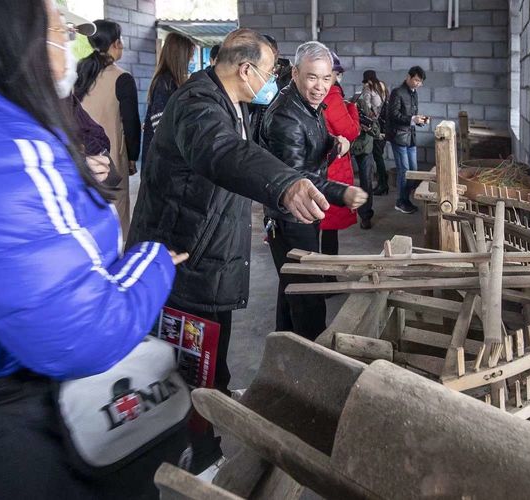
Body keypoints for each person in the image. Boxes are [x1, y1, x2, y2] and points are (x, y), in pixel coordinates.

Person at [0, 0, 187, 498]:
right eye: (54, 30)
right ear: (5, 34)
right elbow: (83, 332)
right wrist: (151, 261)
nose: (65, 47)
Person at [128, 29, 335, 397]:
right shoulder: (198, 102)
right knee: (187, 363)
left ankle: (215, 401)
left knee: (211, 351)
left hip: (210, 254)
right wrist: (283, 184)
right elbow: (222, 151)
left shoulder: (232, 104)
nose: (272, 81)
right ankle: (201, 445)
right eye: (270, 73)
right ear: (244, 69)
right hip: (186, 255)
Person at [260, 41, 367, 340]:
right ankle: (312, 363)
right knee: (308, 295)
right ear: (295, 73)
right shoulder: (286, 116)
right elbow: (297, 178)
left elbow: (314, 145)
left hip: (305, 212)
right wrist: (341, 193)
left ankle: (283, 348)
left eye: (326, 78)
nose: (320, 86)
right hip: (292, 216)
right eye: (312, 77)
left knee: (291, 286)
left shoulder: (309, 105)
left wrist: (334, 144)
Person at [75, 19, 141, 237]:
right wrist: (132, 157)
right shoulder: (121, 78)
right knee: (115, 216)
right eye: (119, 40)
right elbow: (130, 124)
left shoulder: (78, 72)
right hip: (109, 160)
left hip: (79, 157)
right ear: (115, 44)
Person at [320, 51, 361, 251]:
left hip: (318, 163)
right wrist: (352, 108)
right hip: (332, 166)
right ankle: (327, 275)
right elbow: (351, 131)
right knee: (328, 227)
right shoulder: (332, 96)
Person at [142, 32, 195, 164]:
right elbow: (161, 126)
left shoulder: (174, 82)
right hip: (162, 162)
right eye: (191, 56)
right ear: (180, 57)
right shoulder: (165, 83)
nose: (192, 61)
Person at [387, 65, 428, 214]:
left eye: (420, 82)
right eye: (416, 80)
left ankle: (406, 199)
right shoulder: (397, 93)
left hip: (410, 136)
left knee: (413, 170)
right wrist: (412, 119)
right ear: (408, 77)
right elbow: (393, 115)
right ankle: (401, 201)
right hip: (398, 136)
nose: (417, 83)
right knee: (404, 171)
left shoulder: (413, 93)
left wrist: (419, 120)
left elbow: (412, 116)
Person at [353, 94, 383, 229]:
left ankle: (365, 216)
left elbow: (376, 131)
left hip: (365, 150)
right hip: (348, 149)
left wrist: (368, 128)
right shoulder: (347, 105)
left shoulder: (364, 108)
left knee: (366, 182)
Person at [360, 69, 389, 195]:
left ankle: (382, 184)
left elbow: (366, 107)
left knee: (377, 156)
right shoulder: (383, 87)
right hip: (385, 125)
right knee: (380, 155)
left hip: (375, 126)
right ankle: (384, 183)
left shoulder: (368, 88)